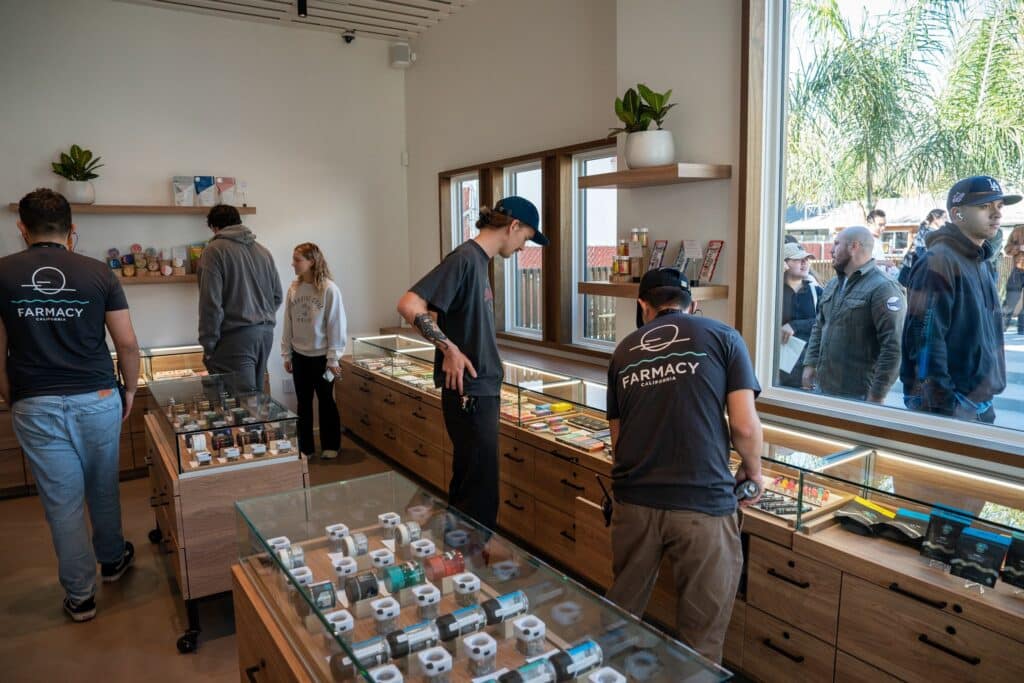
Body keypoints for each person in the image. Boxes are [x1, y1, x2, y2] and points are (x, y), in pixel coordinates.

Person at [604, 267, 763, 664]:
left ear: (643, 305)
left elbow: (618, 441)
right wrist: (753, 470)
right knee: (702, 638)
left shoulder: (623, 351)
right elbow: (744, 424)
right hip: (704, 503)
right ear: (693, 304)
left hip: (635, 501)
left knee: (620, 616)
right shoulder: (725, 337)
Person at [0, 189, 139, 622]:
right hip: (98, 397)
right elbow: (128, 344)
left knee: (61, 502)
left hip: (35, 401)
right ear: (72, 230)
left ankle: (80, 597)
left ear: (21, 228)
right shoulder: (98, 273)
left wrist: (9, 395)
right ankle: (113, 560)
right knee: (102, 485)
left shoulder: (2, 273)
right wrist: (129, 391)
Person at [396, 197, 547, 531]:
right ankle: (470, 572)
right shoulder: (465, 259)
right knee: (477, 496)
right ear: (513, 226)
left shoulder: (479, 263)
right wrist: (448, 347)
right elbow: (409, 303)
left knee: (472, 487)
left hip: (479, 392)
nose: (524, 247)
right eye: (526, 238)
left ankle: (458, 566)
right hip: (471, 395)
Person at [902, 176, 1019, 423]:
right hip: (951, 408)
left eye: (999, 206)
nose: (996, 214)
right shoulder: (939, 261)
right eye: (984, 206)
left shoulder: (982, 262)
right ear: (957, 213)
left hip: (980, 404)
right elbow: (924, 341)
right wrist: (944, 407)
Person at [803, 226, 905, 402]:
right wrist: (810, 363)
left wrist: (877, 394)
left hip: (858, 396)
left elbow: (893, 347)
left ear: (854, 246)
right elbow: (819, 326)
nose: (831, 250)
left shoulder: (884, 288)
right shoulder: (833, 284)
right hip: (824, 389)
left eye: (836, 244)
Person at [197, 204, 282, 393]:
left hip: (235, 338)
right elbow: (277, 296)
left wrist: (208, 345)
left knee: (242, 406)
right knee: (256, 399)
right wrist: (260, 317)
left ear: (214, 226)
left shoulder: (214, 250)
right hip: (266, 335)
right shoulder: (263, 251)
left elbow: (210, 304)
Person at [281, 243, 347, 459]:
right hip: (300, 356)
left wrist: (333, 358)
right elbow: (288, 323)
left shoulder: (329, 289)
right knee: (303, 403)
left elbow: (336, 325)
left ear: (312, 261)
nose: (293, 264)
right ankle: (306, 448)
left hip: (323, 358)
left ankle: (331, 445)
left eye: (297, 260)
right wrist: (286, 353)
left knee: (327, 401)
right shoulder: (293, 288)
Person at [779, 242, 823, 388]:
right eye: (798, 259)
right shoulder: (773, 291)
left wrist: (795, 325)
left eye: (807, 259)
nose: (805, 263)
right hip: (777, 365)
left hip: (808, 363)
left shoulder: (816, 291)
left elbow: (826, 321)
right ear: (784, 264)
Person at [898, 208, 946, 287]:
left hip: (911, 271)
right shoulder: (929, 233)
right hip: (915, 272)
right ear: (935, 219)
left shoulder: (924, 231)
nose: (946, 221)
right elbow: (922, 253)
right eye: (944, 218)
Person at [1003, 253, 1024, 335]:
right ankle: (1002, 326)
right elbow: (1008, 250)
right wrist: (1019, 248)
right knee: (1011, 300)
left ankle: (1022, 329)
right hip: (1018, 269)